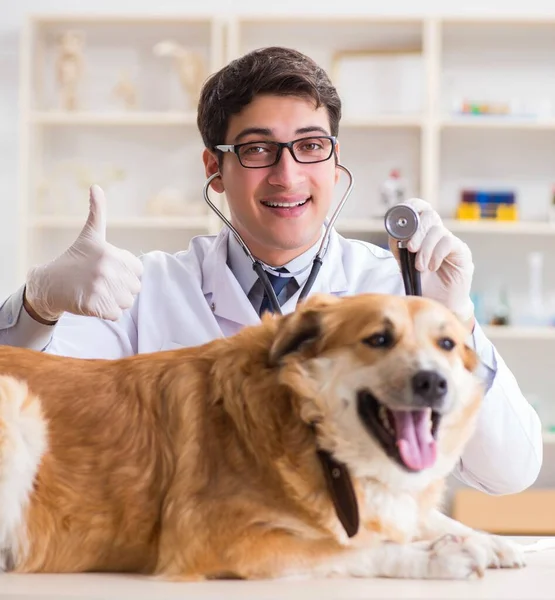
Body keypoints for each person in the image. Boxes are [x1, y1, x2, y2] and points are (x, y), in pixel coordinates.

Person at [0, 46, 541, 495]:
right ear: (215, 168)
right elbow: (24, 429)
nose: (288, 175)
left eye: (310, 146)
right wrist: (36, 306)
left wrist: (457, 322)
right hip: (189, 567)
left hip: (357, 574)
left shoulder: (399, 290)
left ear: (333, 161)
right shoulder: (145, 291)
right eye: (259, 149)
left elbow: (509, 473)